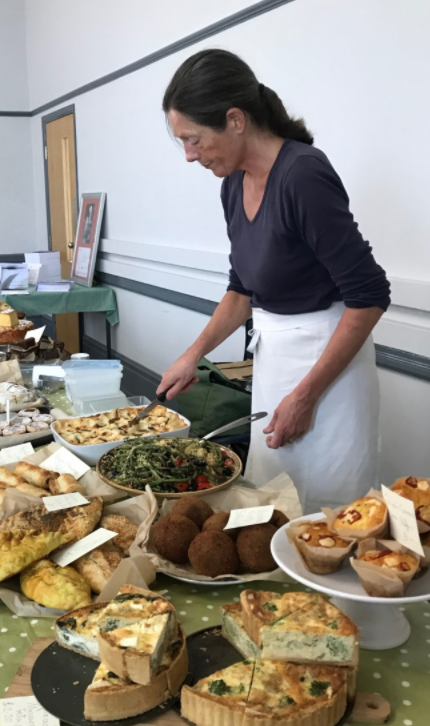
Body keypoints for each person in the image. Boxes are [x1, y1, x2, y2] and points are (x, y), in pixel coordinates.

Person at [157, 49, 390, 514]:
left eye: (194, 139)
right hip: (275, 366)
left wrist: (305, 396)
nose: (188, 155)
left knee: (330, 518)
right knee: (272, 505)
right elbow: (242, 288)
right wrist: (192, 355)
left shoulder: (302, 174)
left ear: (236, 120)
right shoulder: (232, 184)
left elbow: (369, 297)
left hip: (329, 374)